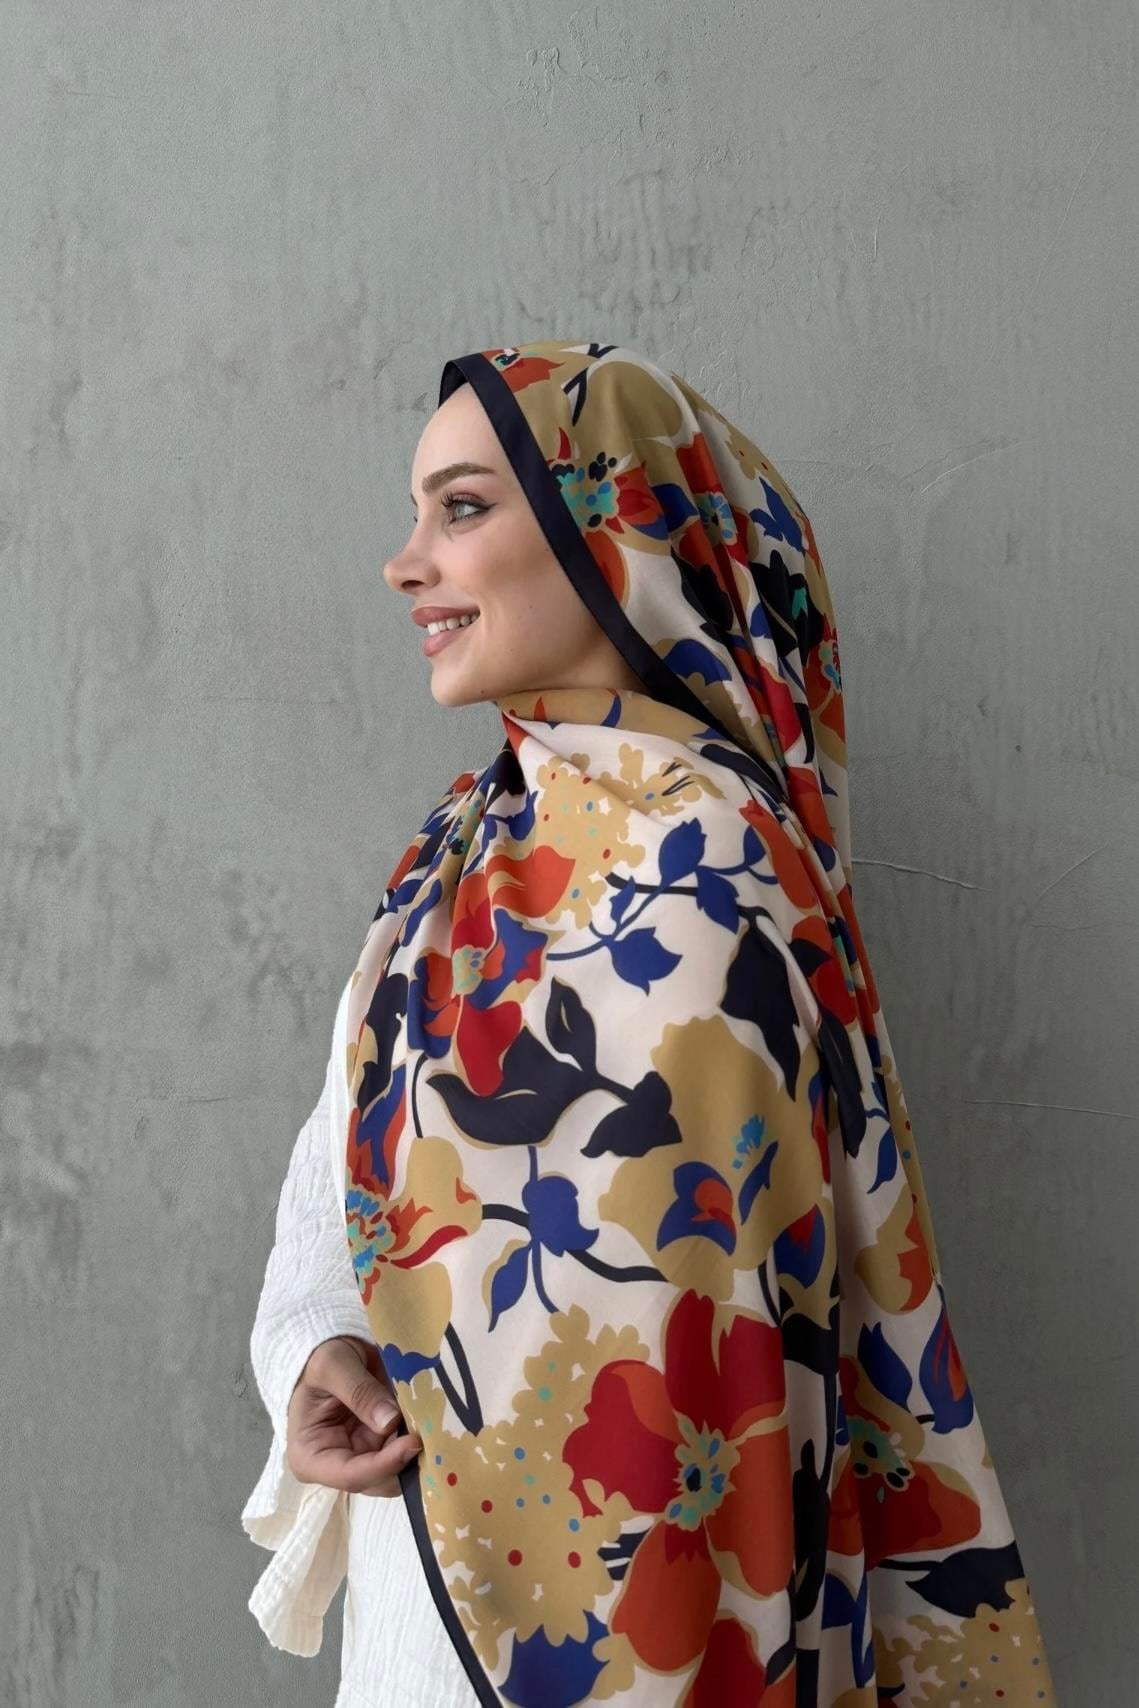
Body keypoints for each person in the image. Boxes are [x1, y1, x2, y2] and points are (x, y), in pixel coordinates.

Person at [243, 340, 1056, 1706]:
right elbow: (337, 1169)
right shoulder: (458, 852)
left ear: (611, 528)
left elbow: (740, 1335)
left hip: (655, 1639)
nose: (404, 564)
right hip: (419, 1621)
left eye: (460, 508)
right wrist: (314, 1349)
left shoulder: (722, 877)